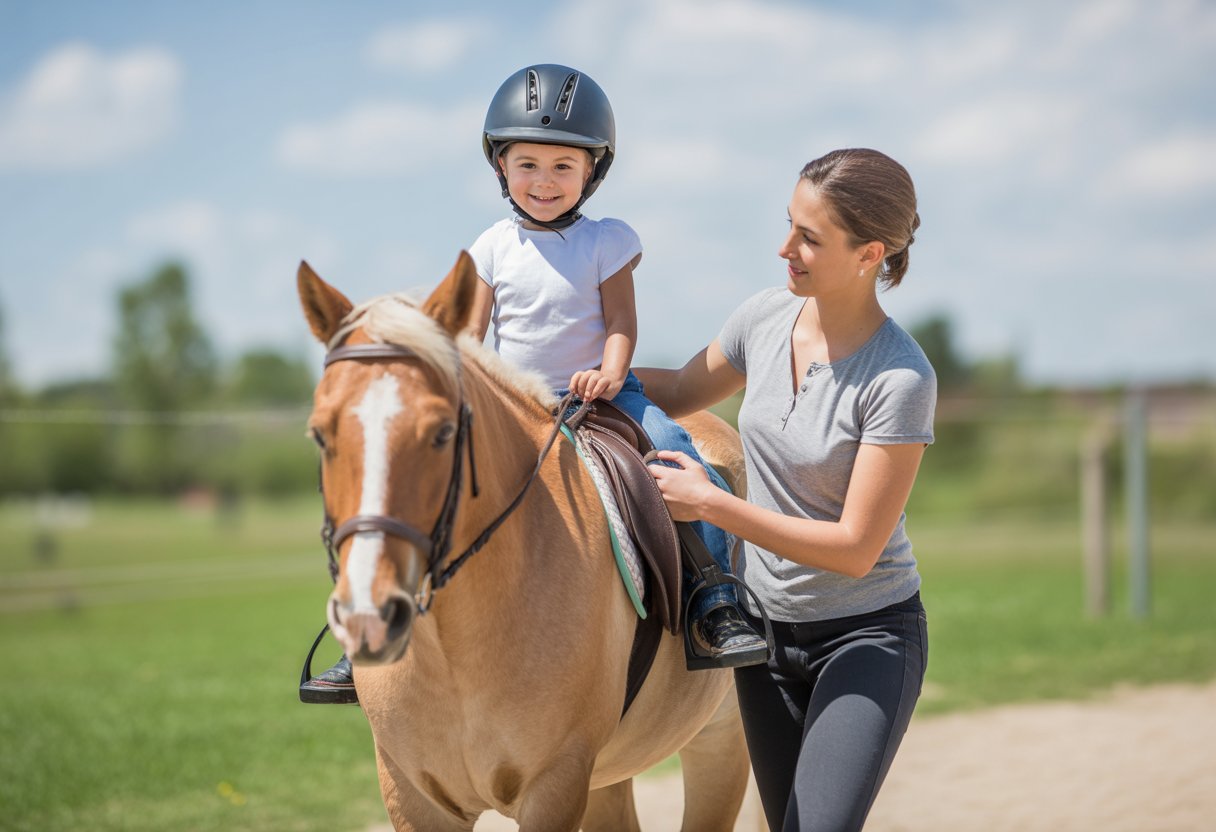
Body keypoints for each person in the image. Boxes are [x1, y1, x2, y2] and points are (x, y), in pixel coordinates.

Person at [299, 64, 767, 705]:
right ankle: (371, 637)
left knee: (678, 458)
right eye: (527, 166)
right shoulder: (492, 246)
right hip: (518, 403)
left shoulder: (607, 241)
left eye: (562, 168)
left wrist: (610, 369)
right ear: (500, 168)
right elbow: (465, 336)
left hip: (601, 395)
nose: (543, 183)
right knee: (419, 487)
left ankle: (714, 597)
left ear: (591, 174)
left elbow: (622, 321)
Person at [636, 148, 935, 831]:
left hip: (866, 639)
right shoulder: (764, 320)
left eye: (809, 237)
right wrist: (575, 375)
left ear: (869, 255)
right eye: (788, 225)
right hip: (764, 639)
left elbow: (856, 549)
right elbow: (682, 390)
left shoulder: (900, 379)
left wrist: (714, 506)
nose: (785, 249)